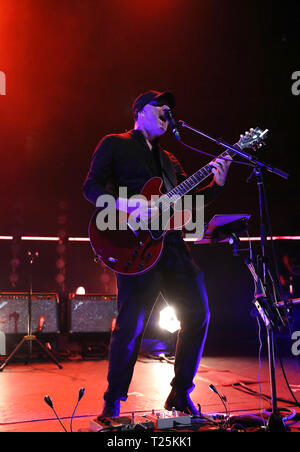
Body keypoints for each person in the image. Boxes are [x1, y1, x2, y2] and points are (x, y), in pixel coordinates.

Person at [83, 90, 231, 417]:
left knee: (198, 312)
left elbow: (187, 204)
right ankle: (113, 400)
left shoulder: (170, 161)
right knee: (131, 326)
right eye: (161, 106)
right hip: (133, 247)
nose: (168, 111)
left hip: (172, 247)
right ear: (139, 111)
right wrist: (123, 203)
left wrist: (216, 185)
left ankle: (180, 392)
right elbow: (90, 188)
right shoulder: (114, 143)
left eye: (170, 109)